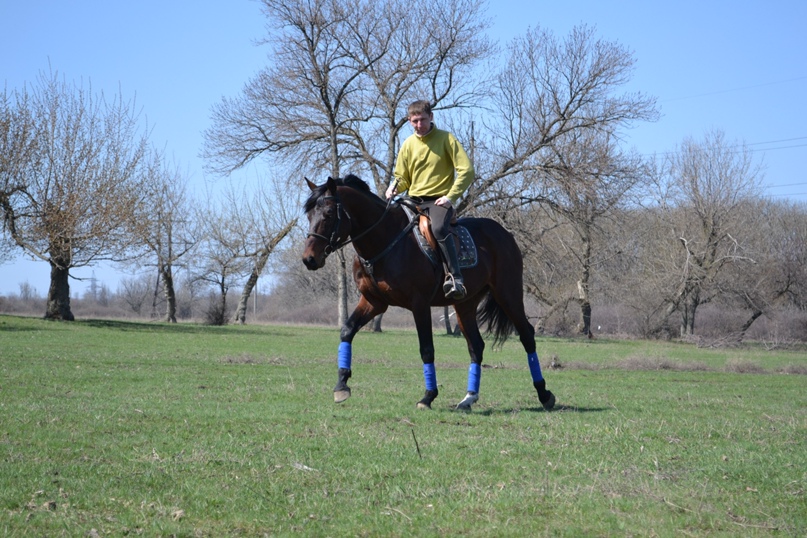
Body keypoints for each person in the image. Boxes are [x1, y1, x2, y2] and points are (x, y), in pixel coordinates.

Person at [386, 100, 475, 299]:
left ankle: (455, 278)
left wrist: (450, 197)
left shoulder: (446, 139)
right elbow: (403, 177)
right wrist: (394, 187)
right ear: (409, 121)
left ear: (431, 117)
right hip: (413, 200)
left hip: (438, 201)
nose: (419, 125)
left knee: (438, 229)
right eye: (415, 121)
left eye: (423, 120)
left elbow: (467, 171)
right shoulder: (408, 144)